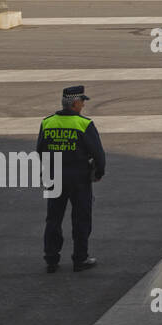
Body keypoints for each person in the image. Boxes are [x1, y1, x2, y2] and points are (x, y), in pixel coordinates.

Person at [38, 85, 105, 273]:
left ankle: (51, 258)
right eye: (82, 101)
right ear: (75, 103)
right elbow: (98, 154)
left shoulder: (47, 122)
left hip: (55, 177)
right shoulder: (84, 124)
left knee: (53, 219)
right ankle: (80, 259)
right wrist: (98, 173)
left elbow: (41, 150)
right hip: (79, 179)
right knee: (81, 219)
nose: (83, 104)